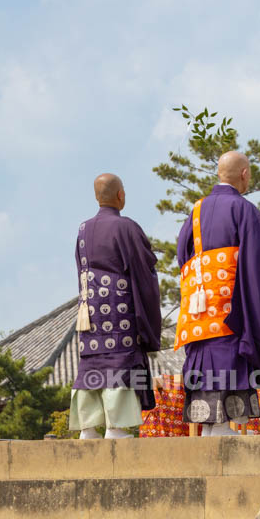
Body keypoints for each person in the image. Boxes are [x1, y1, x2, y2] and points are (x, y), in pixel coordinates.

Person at [175, 151, 260, 436]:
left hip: (199, 311)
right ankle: (220, 428)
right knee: (227, 360)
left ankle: (212, 428)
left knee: (206, 363)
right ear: (244, 174)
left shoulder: (195, 212)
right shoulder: (244, 210)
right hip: (230, 311)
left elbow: (183, 257)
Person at [71, 174, 161, 439]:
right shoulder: (127, 228)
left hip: (89, 314)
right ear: (120, 195)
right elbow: (144, 275)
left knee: (92, 364)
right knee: (119, 364)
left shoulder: (82, 230)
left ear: (97, 197)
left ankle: (88, 428)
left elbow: (81, 271)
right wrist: (148, 324)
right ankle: (116, 427)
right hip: (119, 311)